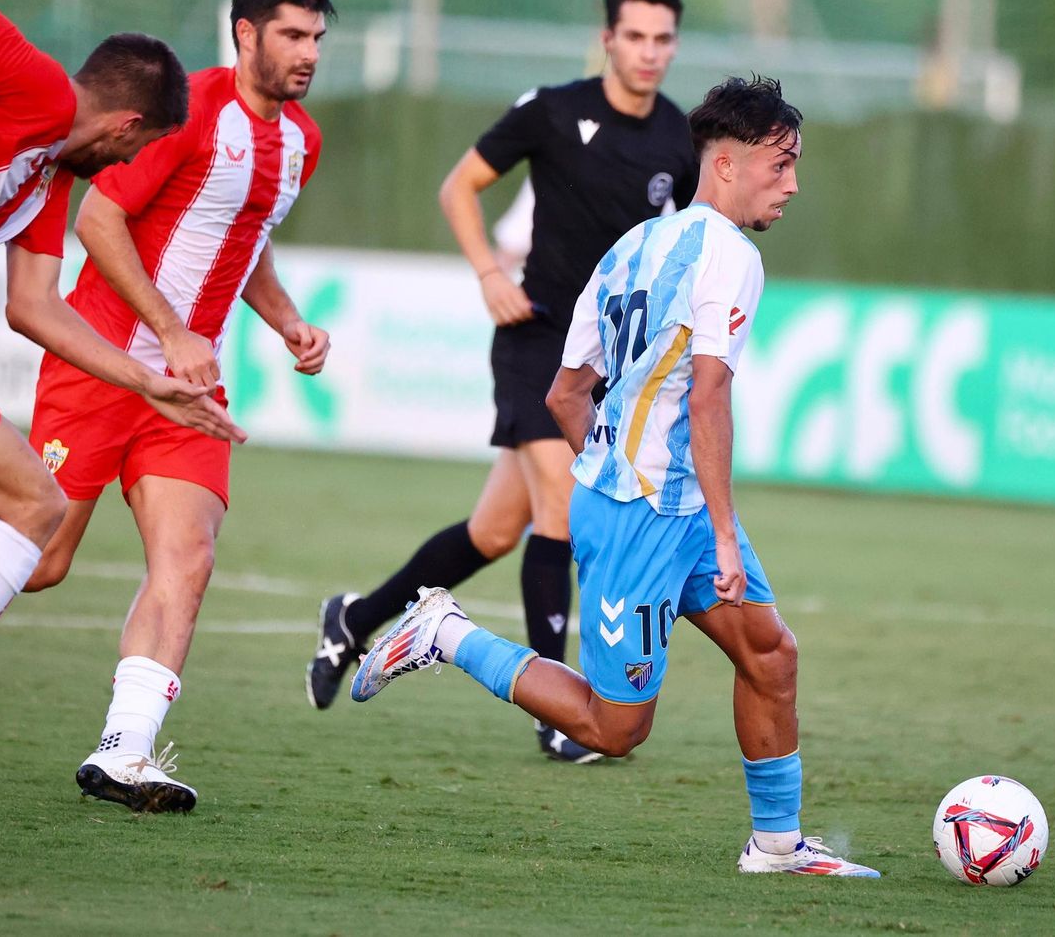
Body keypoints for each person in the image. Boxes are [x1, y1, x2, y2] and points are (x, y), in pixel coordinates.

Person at [0, 0, 335, 814]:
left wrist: (287, 323)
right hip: (103, 367)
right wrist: (168, 334)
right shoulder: (188, 108)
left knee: (189, 558)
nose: (308, 52)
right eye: (291, 34)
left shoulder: (301, 143)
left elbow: (246, 238)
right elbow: (100, 217)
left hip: (187, 394)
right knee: (43, 560)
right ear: (246, 34)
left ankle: (124, 752)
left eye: (316, 36)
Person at [347, 76, 880, 877]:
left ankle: (776, 846)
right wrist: (716, 531)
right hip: (641, 518)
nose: (793, 183)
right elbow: (707, 397)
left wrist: (613, 464)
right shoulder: (730, 257)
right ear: (727, 165)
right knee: (614, 728)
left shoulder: (632, 245)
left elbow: (567, 393)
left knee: (771, 656)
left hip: (662, 504)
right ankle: (445, 633)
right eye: (782, 164)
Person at [306, 0, 698, 764]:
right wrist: (490, 272)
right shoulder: (554, 109)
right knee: (562, 504)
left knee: (493, 530)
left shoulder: (680, 141)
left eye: (663, 40)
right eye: (636, 37)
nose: (649, 53)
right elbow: (460, 186)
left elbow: (675, 248)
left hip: (601, 363)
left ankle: (355, 617)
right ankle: (559, 712)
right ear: (608, 40)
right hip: (535, 338)